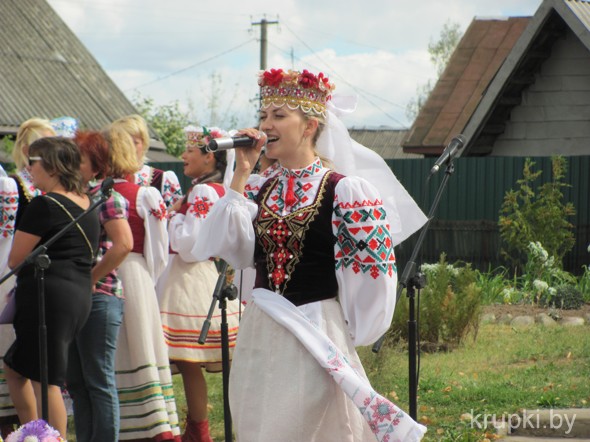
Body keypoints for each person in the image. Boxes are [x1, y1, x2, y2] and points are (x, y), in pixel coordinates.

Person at [189, 68, 428, 441]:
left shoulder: (346, 191)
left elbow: (372, 273)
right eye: (264, 116)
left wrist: (350, 326)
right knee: (259, 423)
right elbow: (232, 250)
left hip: (315, 326)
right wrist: (241, 173)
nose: (266, 124)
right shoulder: (258, 187)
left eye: (279, 116)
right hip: (262, 328)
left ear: (309, 126)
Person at [4, 137, 100, 438]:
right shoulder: (86, 202)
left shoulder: (45, 205)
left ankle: (51, 437)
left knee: (47, 380)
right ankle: (33, 434)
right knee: (17, 367)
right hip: (77, 295)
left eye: (32, 162)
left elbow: (16, 259)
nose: (28, 168)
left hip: (48, 297)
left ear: (52, 165)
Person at [156, 126, 240, 442]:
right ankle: (196, 428)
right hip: (189, 277)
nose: (182, 156)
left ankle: (198, 430)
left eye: (189, 151)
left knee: (187, 359)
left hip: (188, 280)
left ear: (208, 156)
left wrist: (172, 218)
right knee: (185, 359)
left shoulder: (205, 192)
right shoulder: (207, 189)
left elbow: (191, 246)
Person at [102, 124, 181, 441]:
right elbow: (159, 251)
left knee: (122, 343)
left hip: (118, 271)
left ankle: (133, 422)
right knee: (138, 343)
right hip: (135, 272)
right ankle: (150, 422)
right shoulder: (139, 195)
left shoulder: (122, 194)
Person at [66, 131, 133, 442]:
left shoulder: (107, 198)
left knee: (98, 379)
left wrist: (90, 279)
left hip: (102, 296)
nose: (70, 165)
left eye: (78, 159)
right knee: (77, 382)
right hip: (78, 299)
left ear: (97, 166)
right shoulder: (73, 197)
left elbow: (123, 245)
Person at [0, 118, 56, 438]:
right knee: (20, 356)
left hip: (40, 275)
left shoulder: (50, 187)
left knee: (33, 361)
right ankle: (28, 428)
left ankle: (36, 431)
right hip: (14, 273)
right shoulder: (14, 185)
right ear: (26, 151)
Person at [110, 114, 183, 208]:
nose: (129, 148)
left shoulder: (161, 179)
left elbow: (174, 219)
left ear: (144, 143)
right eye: (124, 143)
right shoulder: (107, 177)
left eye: (135, 143)